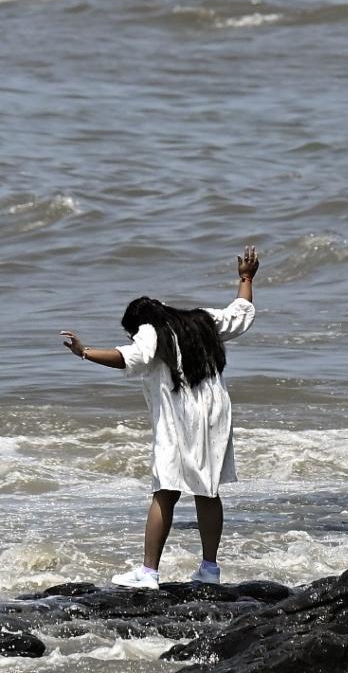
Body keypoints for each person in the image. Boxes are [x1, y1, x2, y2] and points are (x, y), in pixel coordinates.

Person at [60, 246, 260, 587]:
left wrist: (85, 352)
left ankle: (148, 572)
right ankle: (210, 570)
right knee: (208, 490)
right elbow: (240, 312)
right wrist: (246, 277)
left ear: (138, 323)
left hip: (179, 417)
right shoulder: (202, 320)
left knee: (165, 490)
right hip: (215, 413)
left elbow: (130, 358)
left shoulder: (151, 331)